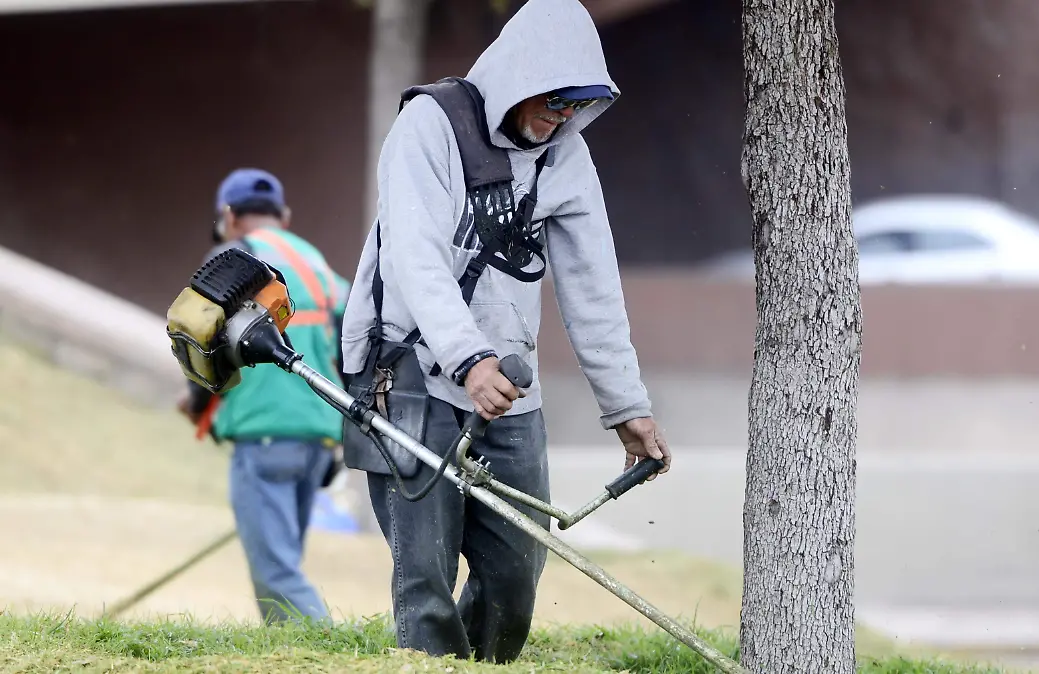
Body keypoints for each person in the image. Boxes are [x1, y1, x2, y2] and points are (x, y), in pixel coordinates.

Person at [338, 0, 671, 663]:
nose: (563, 113)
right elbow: (415, 257)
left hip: (509, 388)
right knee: (426, 581)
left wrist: (626, 406)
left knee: (516, 578)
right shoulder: (428, 126)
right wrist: (469, 359)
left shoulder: (565, 158)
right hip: (405, 375)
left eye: (579, 101)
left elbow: (592, 285)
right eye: (555, 96)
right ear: (519, 74)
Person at [177, 167, 350, 624]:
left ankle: (323, 653)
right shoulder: (316, 264)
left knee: (277, 574)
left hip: (264, 432)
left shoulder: (235, 260)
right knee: (285, 561)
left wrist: (194, 405)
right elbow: (354, 342)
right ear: (284, 216)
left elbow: (197, 338)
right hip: (319, 435)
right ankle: (299, 650)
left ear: (228, 215)